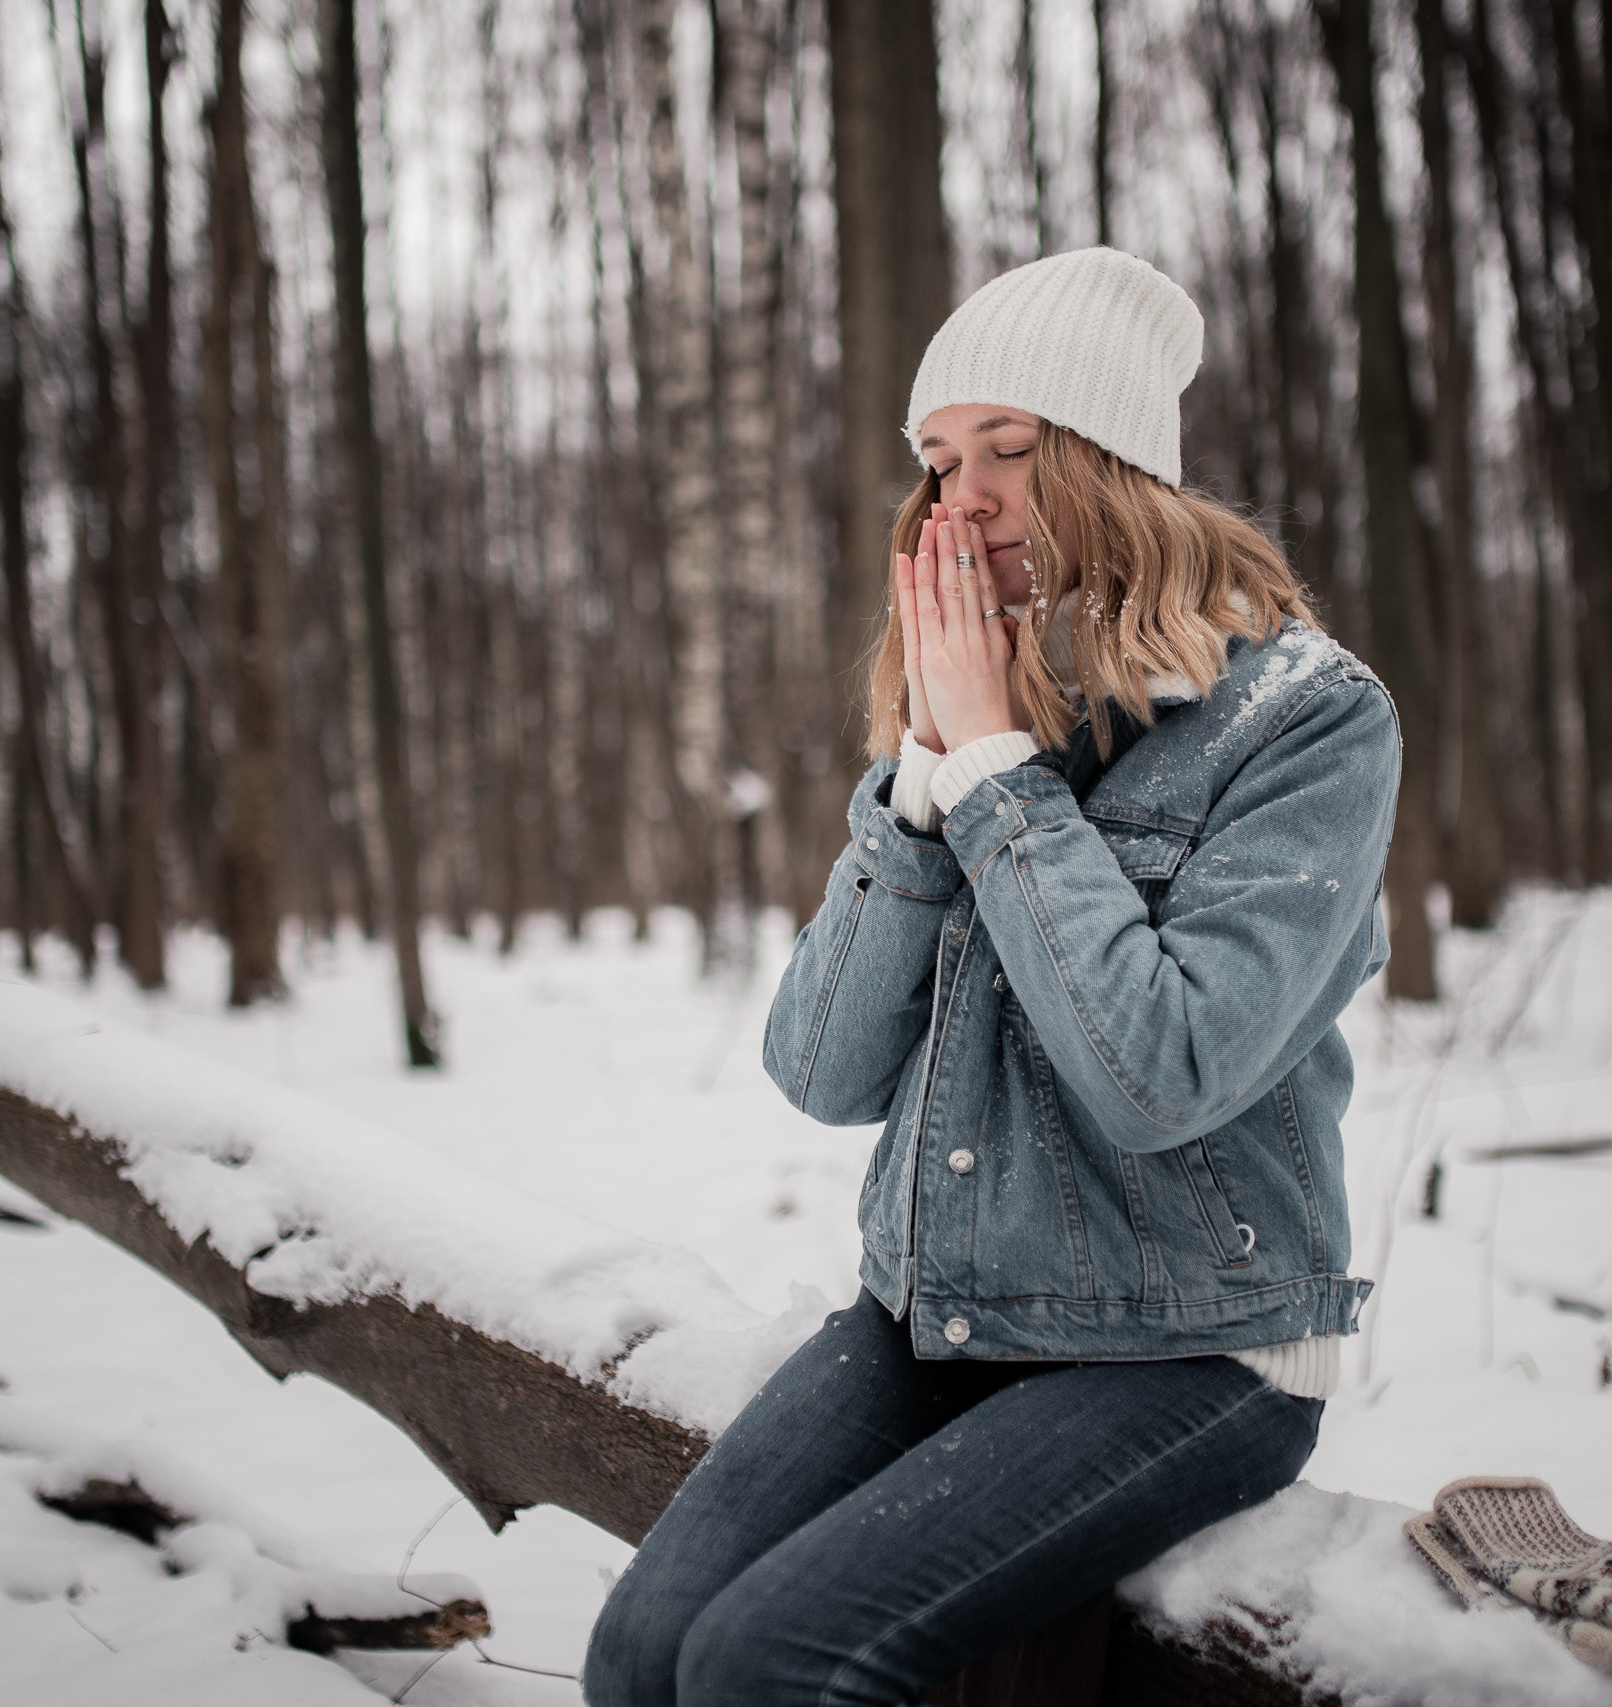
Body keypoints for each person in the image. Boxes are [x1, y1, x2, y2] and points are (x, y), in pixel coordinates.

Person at [583, 247, 1400, 1707]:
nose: (962, 496)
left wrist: (1002, 783)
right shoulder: (971, 706)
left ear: (1114, 466)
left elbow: (1167, 1073)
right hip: (936, 1318)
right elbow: (821, 1073)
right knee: (648, 1657)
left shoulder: (1307, 720)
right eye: (939, 459)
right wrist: (923, 791)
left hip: (1192, 1354)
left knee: (773, 1665)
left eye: (1010, 450)